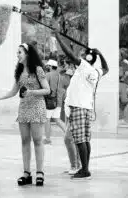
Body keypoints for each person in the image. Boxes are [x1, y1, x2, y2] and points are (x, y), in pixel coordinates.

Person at [0, 43, 50, 186]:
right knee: (24, 141)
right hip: (23, 109)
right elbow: (13, 92)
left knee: (38, 140)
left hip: (37, 107)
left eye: (20, 52)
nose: (17, 55)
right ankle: (26, 173)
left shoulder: (38, 70)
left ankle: (40, 173)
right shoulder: (20, 72)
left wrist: (32, 92)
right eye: (17, 52)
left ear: (27, 54)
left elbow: (47, 90)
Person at [54, 31, 109, 179]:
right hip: (86, 108)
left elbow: (71, 55)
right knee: (84, 139)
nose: (82, 56)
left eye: (84, 54)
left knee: (79, 140)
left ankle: (84, 170)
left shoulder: (84, 66)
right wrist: (101, 54)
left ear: (88, 58)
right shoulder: (96, 71)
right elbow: (106, 68)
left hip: (78, 107)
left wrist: (58, 37)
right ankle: (85, 168)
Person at [43, 59, 68, 144]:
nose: (47, 67)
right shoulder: (61, 76)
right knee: (57, 119)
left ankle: (47, 139)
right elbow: (65, 87)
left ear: (50, 66)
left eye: (48, 66)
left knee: (47, 119)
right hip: (58, 101)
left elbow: (45, 88)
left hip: (50, 101)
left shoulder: (48, 75)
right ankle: (69, 135)